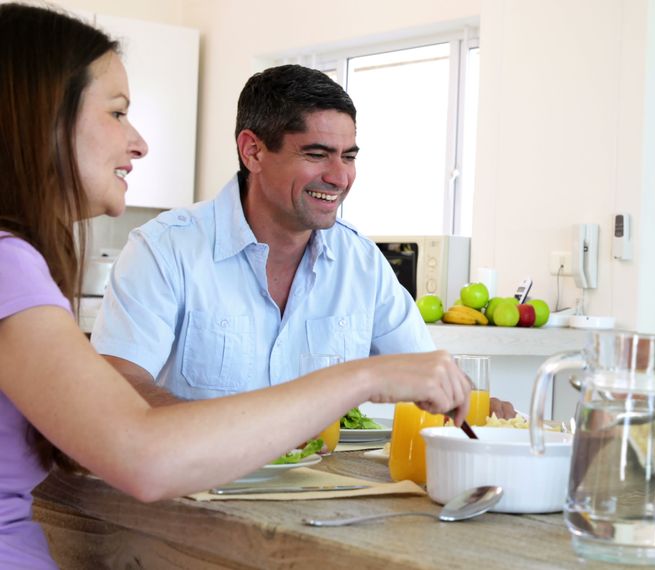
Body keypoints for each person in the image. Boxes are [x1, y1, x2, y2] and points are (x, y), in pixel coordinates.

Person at [0, 5, 472, 567]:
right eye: (118, 112)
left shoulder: (361, 260)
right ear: (42, 118)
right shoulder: (21, 266)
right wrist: (365, 375)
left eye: (348, 156)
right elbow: (142, 454)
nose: (140, 143)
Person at [88, 61, 514, 416]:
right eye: (316, 154)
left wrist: (476, 406)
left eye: (348, 156)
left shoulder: (361, 263)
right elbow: (118, 388)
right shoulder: (165, 249)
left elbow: (426, 373)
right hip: (194, 496)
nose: (340, 176)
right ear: (252, 151)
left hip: (324, 496)